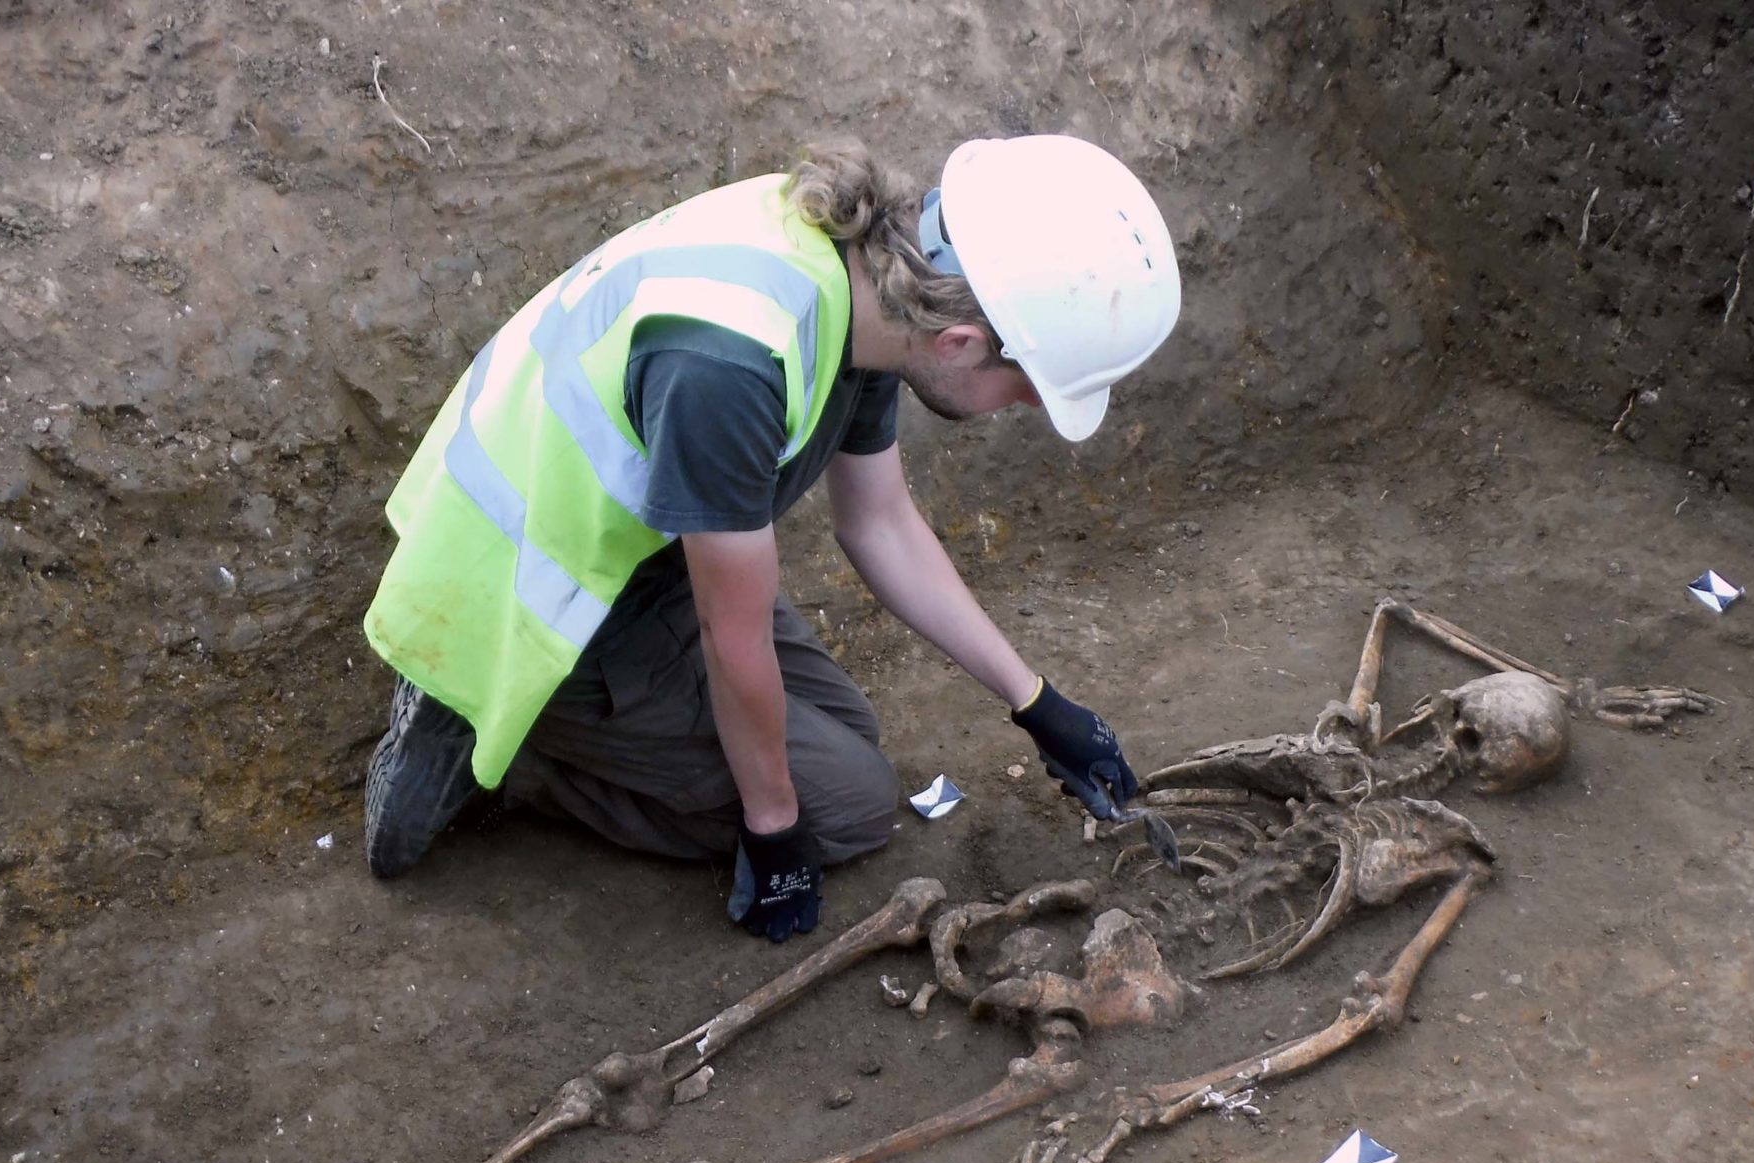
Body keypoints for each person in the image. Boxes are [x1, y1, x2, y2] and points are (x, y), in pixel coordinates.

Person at [359, 134, 1181, 942]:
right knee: (849, 806)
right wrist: (775, 827)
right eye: (1028, 387)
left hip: (647, 551)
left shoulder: (869, 284)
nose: (1029, 409)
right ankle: (494, 731)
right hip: (540, 595)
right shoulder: (732, 366)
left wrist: (1035, 702)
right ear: (959, 343)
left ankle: (581, 729)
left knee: (848, 735)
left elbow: (881, 523)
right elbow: (733, 631)